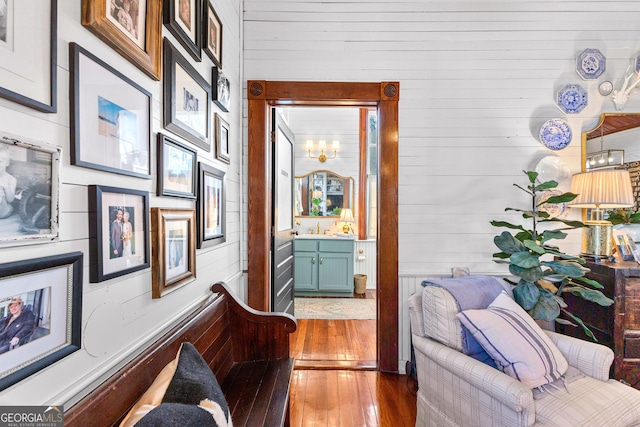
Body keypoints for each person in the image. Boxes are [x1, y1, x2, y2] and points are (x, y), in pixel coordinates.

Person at [0, 147, 16, 219]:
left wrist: (6, 187)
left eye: (0, 161)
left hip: (4, 209)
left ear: (7, 163)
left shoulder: (11, 179)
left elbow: (10, 199)